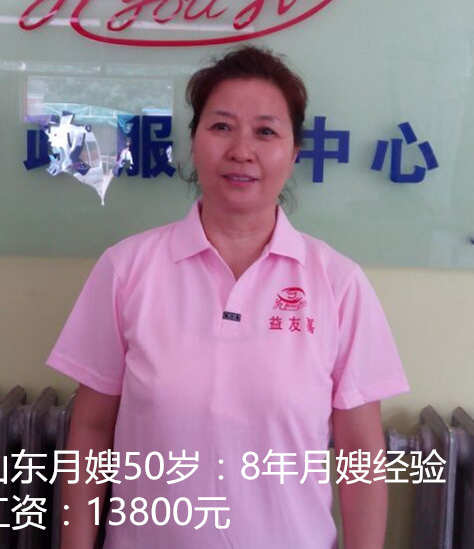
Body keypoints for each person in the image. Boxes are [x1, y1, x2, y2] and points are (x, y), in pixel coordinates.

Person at [47, 45, 409, 549]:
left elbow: (360, 453)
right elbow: (91, 429)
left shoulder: (338, 284)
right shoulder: (127, 269)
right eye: (221, 126)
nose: (242, 150)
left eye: (266, 131)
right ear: (194, 141)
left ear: (295, 152)